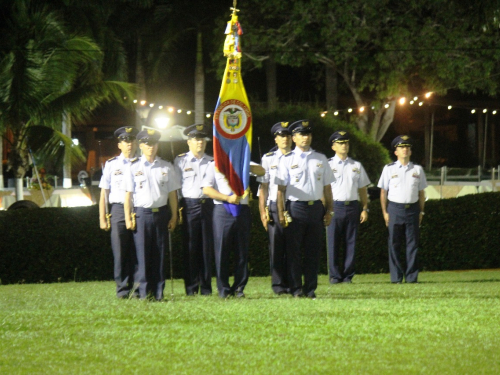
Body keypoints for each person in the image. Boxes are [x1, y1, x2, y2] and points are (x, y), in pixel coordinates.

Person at [276, 120, 334, 299]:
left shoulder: (321, 158)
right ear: (293, 138)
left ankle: (310, 289)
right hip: (295, 208)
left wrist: (329, 210)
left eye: (308, 134)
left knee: (313, 252)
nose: (305, 137)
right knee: (293, 252)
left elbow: (327, 189)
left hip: (315, 207)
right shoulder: (286, 160)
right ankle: (295, 289)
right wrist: (281, 213)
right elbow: (280, 190)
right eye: (301, 134)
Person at [124, 129, 180, 301]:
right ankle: (143, 294)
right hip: (142, 215)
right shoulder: (133, 167)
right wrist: (127, 217)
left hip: (161, 214)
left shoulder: (166, 166)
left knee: (160, 256)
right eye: (147, 144)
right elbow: (128, 195)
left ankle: (158, 293)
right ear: (141, 145)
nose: (151, 147)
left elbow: (172, 194)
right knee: (142, 256)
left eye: (154, 143)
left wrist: (174, 216)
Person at [201, 159, 264, 298]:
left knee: (242, 251)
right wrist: (226, 198)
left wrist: (244, 165)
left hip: (242, 209)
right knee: (221, 251)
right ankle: (223, 289)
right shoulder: (215, 163)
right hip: (222, 209)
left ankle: (239, 288)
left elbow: (262, 170)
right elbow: (206, 188)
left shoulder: (243, 159)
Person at [377, 135, 427, 284]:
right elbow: (383, 192)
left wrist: (421, 211)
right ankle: (396, 277)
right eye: (401, 147)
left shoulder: (417, 169)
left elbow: (421, 193)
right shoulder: (388, 169)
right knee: (394, 244)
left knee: (412, 244)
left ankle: (411, 278)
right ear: (395, 151)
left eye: (407, 147)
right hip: (395, 208)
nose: (405, 149)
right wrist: (385, 212)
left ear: (410, 151)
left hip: (412, 209)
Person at [174, 124, 214, 296]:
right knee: (190, 249)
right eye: (196, 139)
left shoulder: (212, 161)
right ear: (189, 142)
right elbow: (175, 189)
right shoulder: (180, 160)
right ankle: (191, 288)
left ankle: (206, 288)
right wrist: (175, 212)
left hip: (209, 206)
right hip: (189, 206)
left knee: (207, 249)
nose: (200, 142)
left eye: (202, 139)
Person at [98, 126, 139, 298]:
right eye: (125, 141)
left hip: (139, 209)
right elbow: (104, 192)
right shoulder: (111, 164)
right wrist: (102, 218)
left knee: (138, 252)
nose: (129, 144)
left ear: (136, 143)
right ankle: (122, 290)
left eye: (131, 140)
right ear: (119, 145)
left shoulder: (144, 163)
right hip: (118, 210)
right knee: (120, 252)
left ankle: (138, 290)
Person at [327, 131, 371, 284]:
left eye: (346, 143)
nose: (344, 145)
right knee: (333, 242)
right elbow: (322, 188)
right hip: (334, 206)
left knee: (350, 242)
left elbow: (363, 189)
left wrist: (365, 208)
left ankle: (347, 276)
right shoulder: (328, 165)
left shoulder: (356, 166)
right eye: (340, 143)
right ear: (333, 146)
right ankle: (334, 275)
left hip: (352, 206)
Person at [257, 121, 293, 295]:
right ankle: (278, 285)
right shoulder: (268, 158)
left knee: (293, 246)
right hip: (273, 205)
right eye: (281, 136)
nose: (284, 139)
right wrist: (262, 211)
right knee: (276, 247)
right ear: (275, 139)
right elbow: (263, 187)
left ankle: (293, 282)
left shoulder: (298, 156)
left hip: (294, 204)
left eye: (287, 135)